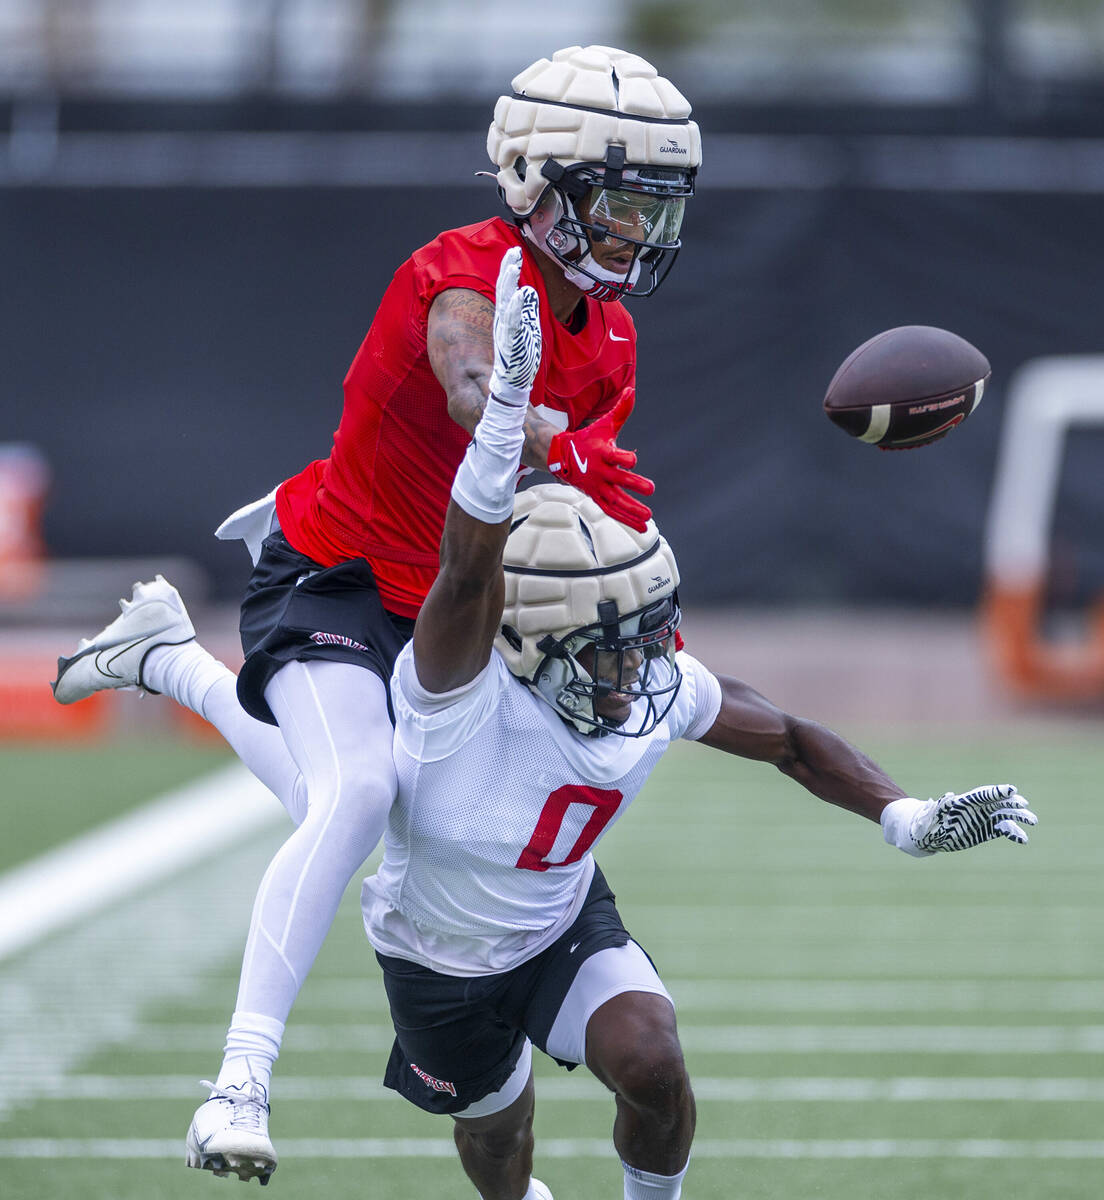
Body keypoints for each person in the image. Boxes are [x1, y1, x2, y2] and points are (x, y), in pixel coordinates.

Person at [56, 250, 1037, 1199]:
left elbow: (787, 738)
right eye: (607, 649)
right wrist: (503, 417)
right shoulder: (452, 694)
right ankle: (174, 668)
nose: (635, 671)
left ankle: (168, 661)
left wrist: (905, 817)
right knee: (494, 1124)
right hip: (435, 960)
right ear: (527, 646)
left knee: (653, 1062)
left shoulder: (653, 680)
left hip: (560, 918)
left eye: (641, 638)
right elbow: (470, 564)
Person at [51, 44, 702, 1184]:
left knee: (387, 808)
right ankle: (236, 1085)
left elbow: (559, 521)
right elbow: (467, 378)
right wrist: (523, 414)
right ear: (541, 185)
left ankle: (171, 662)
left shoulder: (611, 335)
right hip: (336, 576)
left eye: (655, 206)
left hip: (457, 611)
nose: (636, 231)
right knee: (356, 791)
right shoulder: (462, 274)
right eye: (618, 201)